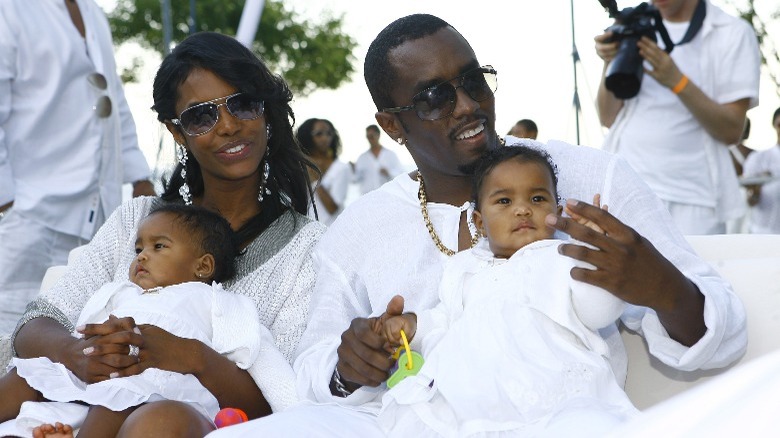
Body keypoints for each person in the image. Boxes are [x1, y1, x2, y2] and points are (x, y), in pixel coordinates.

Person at [210, 13, 745, 437]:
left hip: (556, 417)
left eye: (473, 81)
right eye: (435, 97)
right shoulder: (360, 230)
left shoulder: (590, 175)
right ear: (391, 125)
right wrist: (348, 366)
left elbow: (725, 334)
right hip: (408, 422)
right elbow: (311, 374)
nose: (468, 105)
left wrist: (663, 289)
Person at [5, 31, 324, 437]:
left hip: (209, 424)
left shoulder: (306, 248)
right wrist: (76, 352)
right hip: (80, 400)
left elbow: (289, 401)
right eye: (201, 116)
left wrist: (191, 356)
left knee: (158, 420)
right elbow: (40, 321)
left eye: (243, 104)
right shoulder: (137, 220)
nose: (227, 125)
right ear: (178, 133)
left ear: (265, 111)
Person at [375, 146, 636, 436]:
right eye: (504, 200)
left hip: (552, 386)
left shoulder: (564, 258)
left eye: (537, 198)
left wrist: (597, 255)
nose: (522, 209)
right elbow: (446, 318)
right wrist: (414, 326)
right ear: (480, 223)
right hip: (474, 397)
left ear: (558, 214)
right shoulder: (464, 268)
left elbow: (598, 312)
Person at [1, 204, 275, 437]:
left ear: (202, 266)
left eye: (159, 246)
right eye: (139, 248)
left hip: (156, 384)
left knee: (120, 398)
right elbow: (83, 330)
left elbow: (253, 356)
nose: (142, 255)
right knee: (26, 375)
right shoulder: (121, 292)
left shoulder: (217, 301)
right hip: (97, 372)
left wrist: (287, 400)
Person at [0, 0, 155, 334]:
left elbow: (113, 98)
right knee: (9, 337)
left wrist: (141, 177)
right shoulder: (9, 10)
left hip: (97, 217)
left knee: (69, 342)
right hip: (28, 221)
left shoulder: (92, 12)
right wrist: (9, 205)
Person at [595, 0, 760, 235]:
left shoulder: (732, 32)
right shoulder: (635, 23)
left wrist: (677, 81)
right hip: (626, 189)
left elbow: (732, 130)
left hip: (694, 199)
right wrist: (610, 61)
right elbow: (608, 117)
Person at [297, 118, 352, 226]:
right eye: (319, 134)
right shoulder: (299, 165)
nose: (325, 137)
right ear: (307, 136)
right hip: (305, 230)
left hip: (332, 228)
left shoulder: (340, 168)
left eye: (329, 133)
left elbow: (333, 208)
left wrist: (315, 179)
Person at [742, 107, 780, 234]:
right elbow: (751, 201)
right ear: (774, 126)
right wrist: (757, 187)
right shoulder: (758, 158)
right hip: (763, 233)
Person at [352, 124, 405, 194]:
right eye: (368, 137)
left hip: (387, 196)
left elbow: (401, 174)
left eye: (372, 136)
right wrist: (352, 169)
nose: (370, 139)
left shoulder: (390, 155)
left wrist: (388, 172)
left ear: (378, 135)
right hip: (367, 197)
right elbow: (355, 179)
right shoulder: (362, 158)